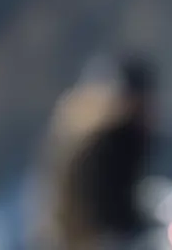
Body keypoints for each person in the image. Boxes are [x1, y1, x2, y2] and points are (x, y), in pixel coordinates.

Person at [37, 55, 159, 250]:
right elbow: (113, 206)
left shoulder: (89, 123)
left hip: (68, 232)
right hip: (91, 233)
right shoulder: (116, 136)